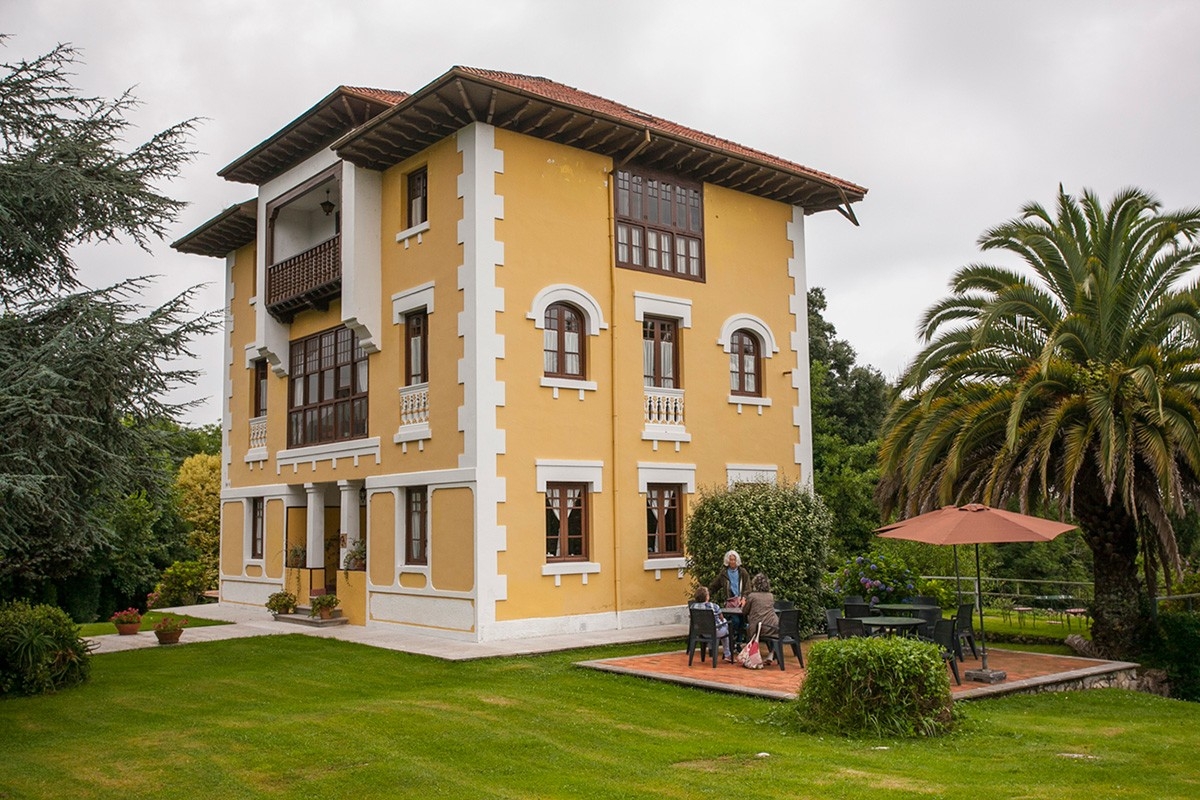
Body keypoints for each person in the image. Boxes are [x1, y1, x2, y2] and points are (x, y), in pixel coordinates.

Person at [709, 550, 751, 644]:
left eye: (734, 560)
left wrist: (744, 598)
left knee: (742, 622)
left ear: (737, 560)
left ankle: (739, 643)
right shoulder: (724, 573)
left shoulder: (743, 572)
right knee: (735, 621)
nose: (732, 562)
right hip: (730, 603)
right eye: (730, 560)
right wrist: (706, 595)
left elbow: (748, 588)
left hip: (741, 602)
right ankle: (733, 640)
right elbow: (714, 586)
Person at [741, 573, 780, 665]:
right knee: (773, 635)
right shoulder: (770, 596)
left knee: (747, 628)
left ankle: (750, 655)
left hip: (758, 629)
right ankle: (772, 652)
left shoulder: (752, 596)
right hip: (773, 627)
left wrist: (744, 605)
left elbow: (744, 611)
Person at [689, 587, 732, 661]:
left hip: (701, 632)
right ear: (706, 597)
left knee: (713, 628)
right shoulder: (714, 606)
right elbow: (721, 618)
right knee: (726, 627)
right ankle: (727, 654)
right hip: (715, 632)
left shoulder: (693, 606)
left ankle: (711, 648)